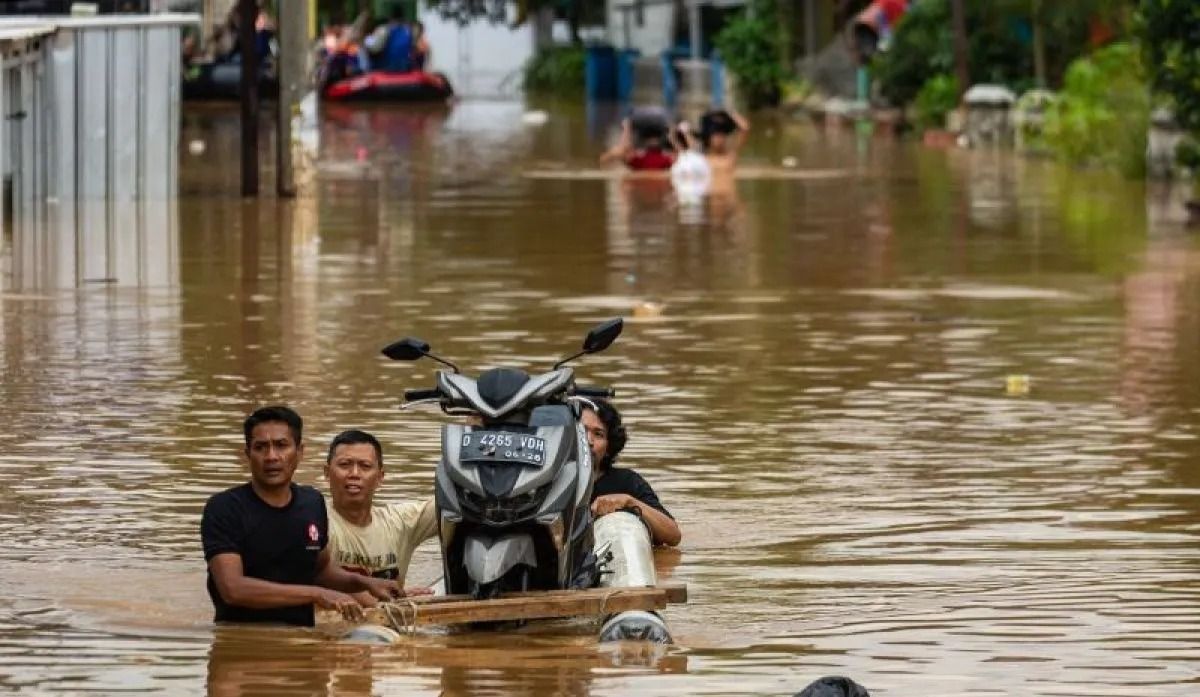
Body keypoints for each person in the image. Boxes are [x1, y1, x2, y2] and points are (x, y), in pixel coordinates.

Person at [200, 406, 404, 627]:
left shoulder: (311, 503)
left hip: (304, 640)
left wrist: (364, 582)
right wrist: (316, 594)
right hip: (243, 641)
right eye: (261, 447)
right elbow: (233, 589)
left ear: (300, 452)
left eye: (281, 445)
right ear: (248, 453)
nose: (271, 457)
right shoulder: (225, 508)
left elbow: (322, 571)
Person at [323, 429, 438, 595]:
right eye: (345, 465)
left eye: (365, 466)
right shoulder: (316, 521)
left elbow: (452, 503)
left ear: (380, 477)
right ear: (327, 473)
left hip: (385, 616)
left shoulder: (400, 522)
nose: (354, 474)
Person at [582, 400, 681, 546]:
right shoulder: (547, 479)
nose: (588, 440)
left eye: (598, 434)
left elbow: (673, 536)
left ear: (609, 448)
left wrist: (629, 501)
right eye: (581, 430)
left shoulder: (626, 481)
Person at [697, 108, 750, 190]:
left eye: (723, 135)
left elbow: (745, 128)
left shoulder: (730, 156)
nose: (720, 139)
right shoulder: (702, 159)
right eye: (717, 136)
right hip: (713, 197)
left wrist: (728, 113)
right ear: (709, 138)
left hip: (729, 198)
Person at [600, 115, 677, 172]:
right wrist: (626, 129)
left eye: (655, 138)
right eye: (651, 138)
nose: (653, 141)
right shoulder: (638, 159)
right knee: (618, 151)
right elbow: (621, 151)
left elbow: (622, 150)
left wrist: (626, 129)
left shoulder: (666, 158)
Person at [363, 8, 412, 73]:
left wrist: (366, 41)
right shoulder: (408, 31)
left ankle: (364, 71)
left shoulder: (386, 30)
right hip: (404, 65)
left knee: (364, 48)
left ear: (391, 17)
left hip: (387, 66)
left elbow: (375, 48)